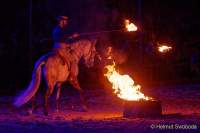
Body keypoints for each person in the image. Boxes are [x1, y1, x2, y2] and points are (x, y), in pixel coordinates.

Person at [52, 15, 79, 81]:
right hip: (60, 48)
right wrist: (72, 37)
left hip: (56, 47)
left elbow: (64, 38)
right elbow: (63, 39)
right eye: (65, 21)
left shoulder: (57, 29)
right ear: (62, 21)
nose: (66, 22)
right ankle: (72, 77)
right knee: (73, 60)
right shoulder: (59, 30)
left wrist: (71, 38)